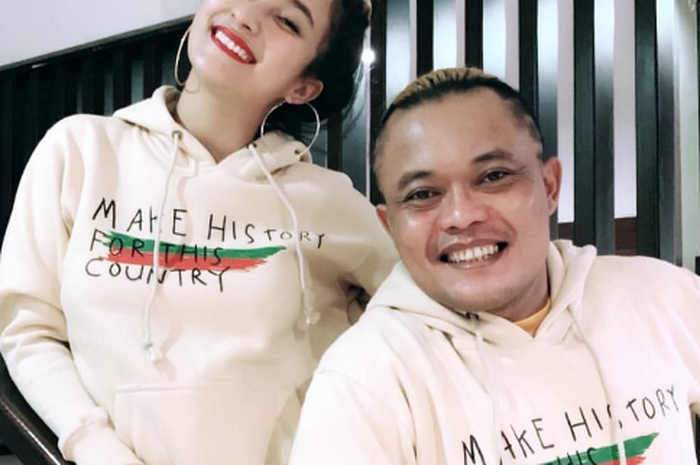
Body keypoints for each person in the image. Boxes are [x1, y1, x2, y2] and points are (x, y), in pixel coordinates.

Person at [0, 0, 397, 463]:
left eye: (286, 20)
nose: (245, 16)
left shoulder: (327, 202)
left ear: (303, 86)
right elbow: (28, 332)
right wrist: (96, 447)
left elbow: (426, 321)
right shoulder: (81, 151)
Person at [289, 67, 700, 465]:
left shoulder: (659, 296)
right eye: (423, 194)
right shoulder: (366, 379)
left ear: (550, 186)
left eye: (493, 176)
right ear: (390, 226)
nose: (461, 216)